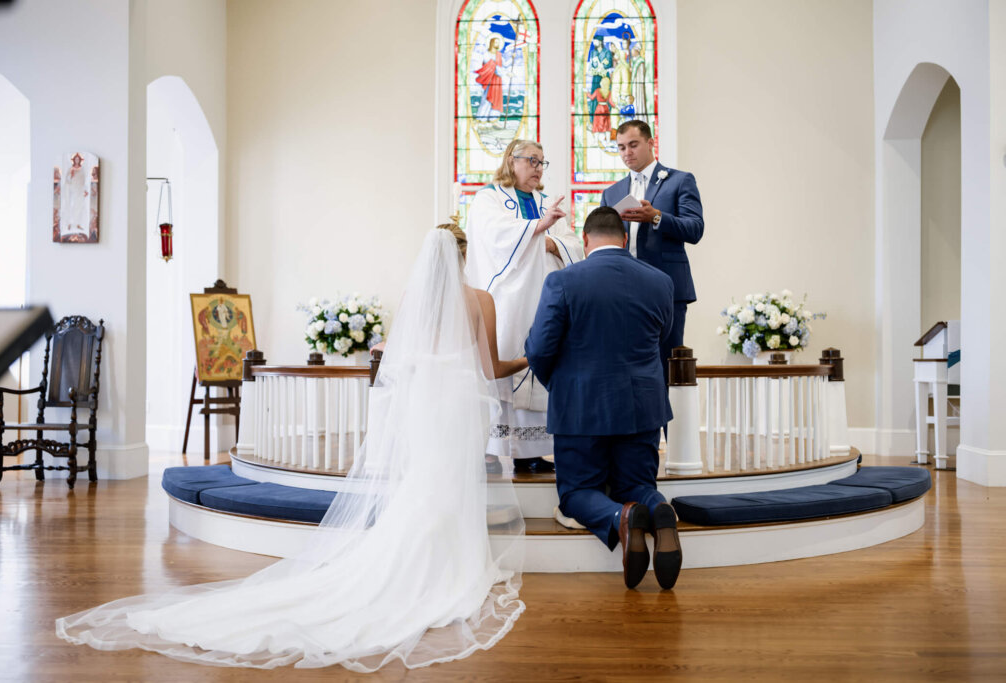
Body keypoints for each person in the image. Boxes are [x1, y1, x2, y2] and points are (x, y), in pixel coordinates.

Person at [56, 226, 527, 671]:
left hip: (425, 404)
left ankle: (413, 562)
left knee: (421, 485)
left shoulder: (414, 299)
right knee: (448, 485)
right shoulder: (480, 300)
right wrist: (530, 359)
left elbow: (394, 362)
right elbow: (488, 368)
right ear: (464, 257)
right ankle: (449, 564)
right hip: (461, 405)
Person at [524, 206, 682, 591]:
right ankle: (659, 509)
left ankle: (619, 519)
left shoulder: (563, 281)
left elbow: (540, 350)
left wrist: (561, 385)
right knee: (636, 484)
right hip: (641, 405)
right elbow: (662, 342)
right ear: (625, 239)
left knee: (577, 492)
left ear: (585, 240)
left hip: (581, 408)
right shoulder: (660, 282)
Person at [464, 139, 584, 475]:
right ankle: (492, 448)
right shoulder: (489, 198)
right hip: (507, 304)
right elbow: (493, 238)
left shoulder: (547, 202)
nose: (538, 168)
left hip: (546, 302)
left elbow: (571, 241)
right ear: (510, 161)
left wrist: (548, 238)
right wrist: (537, 230)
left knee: (543, 365)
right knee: (503, 365)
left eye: (542, 162)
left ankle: (530, 452)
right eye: (532, 160)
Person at [600, 119, 704, 432]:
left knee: (667, 366)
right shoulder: (612, 191)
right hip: (621, 291)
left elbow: (695, 229)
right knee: (625, 366)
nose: (626, 153)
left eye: (632, 145)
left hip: (666, 289)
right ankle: (633, 439)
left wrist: (656, 216)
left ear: (649, 143)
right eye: (620, 147)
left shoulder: (679, 181)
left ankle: (678, 447)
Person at [475, 37, 505, 121]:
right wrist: (500, 71)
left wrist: (512, 59)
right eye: (496, 42)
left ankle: (493, 120)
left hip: (498, 80)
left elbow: (504, 64)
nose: (497, 44)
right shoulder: (486, 54)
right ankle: (481, 119)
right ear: (491, 43)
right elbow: (490, 65)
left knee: (497, 99)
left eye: (498, 43)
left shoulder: (499, 55)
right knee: (487, 99)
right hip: (490, 80)